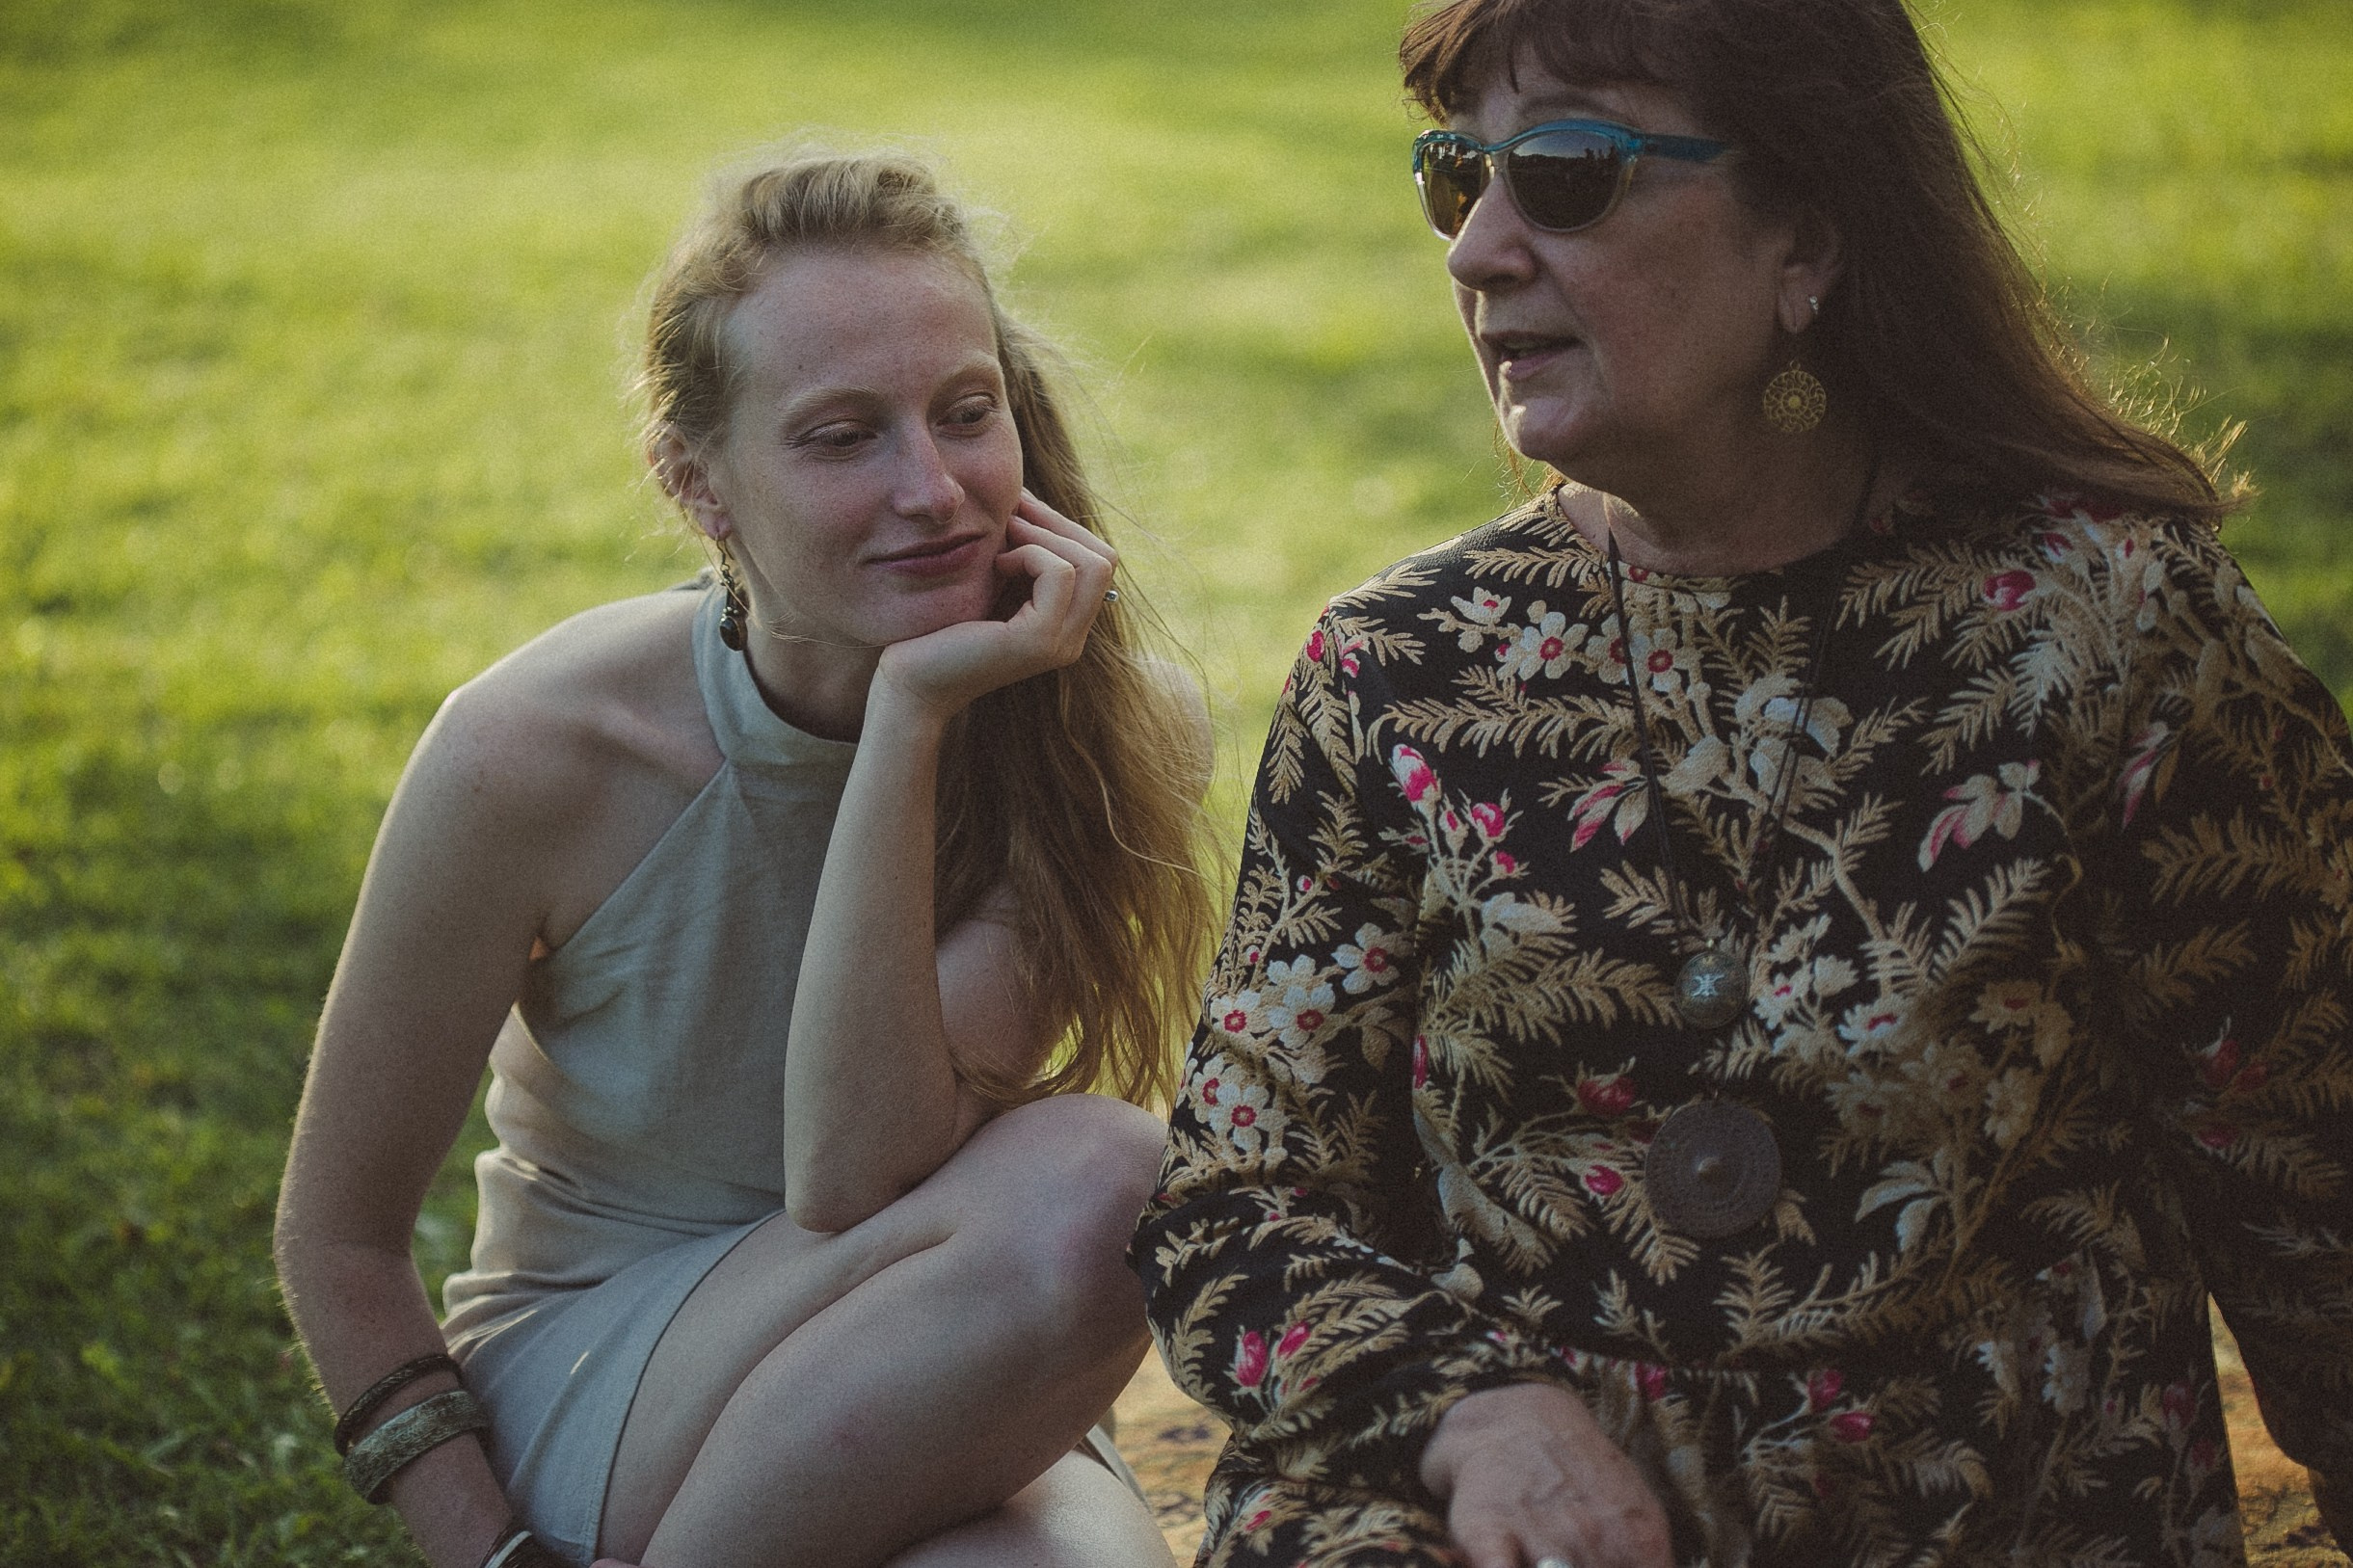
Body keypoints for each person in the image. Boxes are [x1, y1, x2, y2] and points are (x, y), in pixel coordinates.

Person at [1131, 2, 2353, 1565]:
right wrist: (1469, 1413)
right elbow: (1232, 1211)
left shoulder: (2103, 631)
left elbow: (2310, 1177)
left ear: (1808, 240)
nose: (1476, 249)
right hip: (1498, 1522)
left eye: (1564, 169)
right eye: (1458, 175)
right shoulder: (1401, 670)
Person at [274, 150, 1212, 1568]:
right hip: (610, 1363)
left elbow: (862, 1171)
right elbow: (339, 1241)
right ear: (694, 481)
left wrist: (909, 716)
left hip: (933, 1332)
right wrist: (491, 1556)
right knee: (1099, 1177)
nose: (935, 490)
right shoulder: (532, 750)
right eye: (841, 437)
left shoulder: (1099, 731)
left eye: (966, 413)